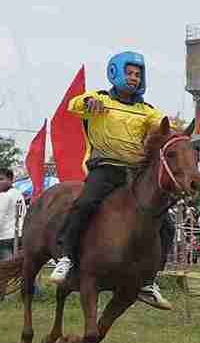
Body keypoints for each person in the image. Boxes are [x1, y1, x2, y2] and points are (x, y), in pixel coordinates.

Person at [45, 50, 177, 311]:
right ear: (115, 72)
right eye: (130, 73)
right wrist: (89, 103)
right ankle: (66, 258)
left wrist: (176, 131)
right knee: (84, 204)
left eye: (138, 74)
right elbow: (74, 105)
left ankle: (149, 281)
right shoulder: (99, 98)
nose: (134, 78)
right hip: (104, 169)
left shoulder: (146, 111)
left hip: (134, 174)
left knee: (167, 224)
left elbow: (164, 125)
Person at [0, 166, 26, 304]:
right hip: (20, 234)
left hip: (5, 237)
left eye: (2, 179)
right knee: (22, 268)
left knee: (2, 270)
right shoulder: (18, 193)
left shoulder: (3, 196)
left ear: (10, 180)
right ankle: (33, 293)